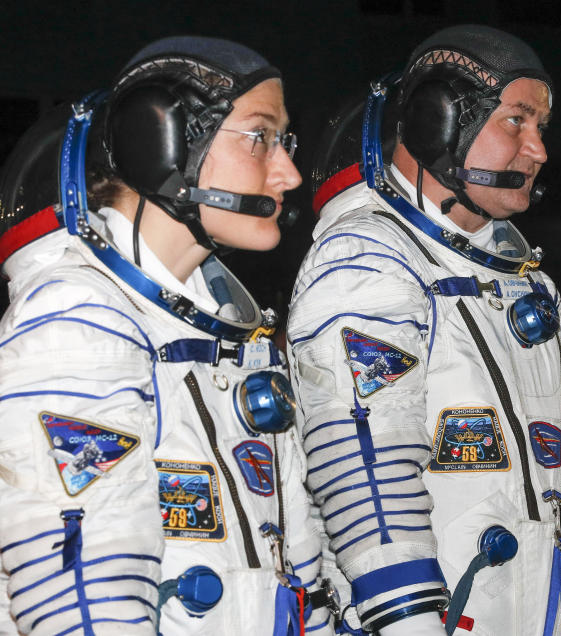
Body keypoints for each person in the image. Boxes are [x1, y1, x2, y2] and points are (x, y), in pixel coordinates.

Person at [287, 24, 561, 635]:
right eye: (516, 121)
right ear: (438, 121)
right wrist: (409, 619)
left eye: (540, 127)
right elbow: (364, 468)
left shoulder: (524, 281)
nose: (539, 150)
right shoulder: (367, 257)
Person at [0, 37, 332, 634]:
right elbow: (82, 601)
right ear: (163, 142)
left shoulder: (235, 340)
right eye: (260, 136)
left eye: (286, 142)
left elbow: (299, 578)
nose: (287, 172)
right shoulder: (77, 319)